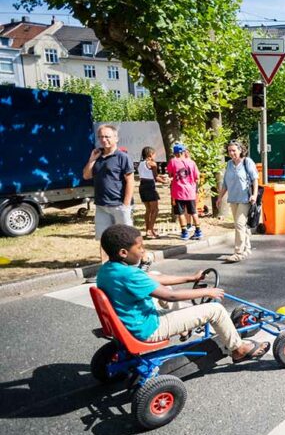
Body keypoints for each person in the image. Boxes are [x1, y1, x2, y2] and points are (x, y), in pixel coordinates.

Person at [96, 224, 269, 361]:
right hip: (148, 328)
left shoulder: (109, 270)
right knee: (215, 310)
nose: (143, 251)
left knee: (155, 275)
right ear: (123, 252)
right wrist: (208, 292)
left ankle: (183, 329)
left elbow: (155, 279)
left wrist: (190, 278)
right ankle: (238, 349)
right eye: (140, 247)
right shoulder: (130, 274)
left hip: (128, 322)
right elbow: (170, 296)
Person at [82, 124, 135, 263]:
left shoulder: (122, 157)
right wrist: (92, 159)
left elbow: (130, 181)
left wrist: (126, 204)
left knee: (126, 238)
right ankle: (105, 268)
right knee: (104, 239)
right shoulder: (97, 157)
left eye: (107, 136)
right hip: (101, 205)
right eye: (101, 137)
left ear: (116, 138)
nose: (103, 139)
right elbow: (86, 175)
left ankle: (134, 264)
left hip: (119, 204)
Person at [216, 141, 258, 263]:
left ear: (240, 150)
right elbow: (225, 183)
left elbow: (255, 179)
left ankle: (238, 252)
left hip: (245, 199)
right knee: (241, 225)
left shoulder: (247, 162)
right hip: (233, 198)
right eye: (229, 151)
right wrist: (219, 197)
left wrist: (254, 195)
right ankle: (247, 247)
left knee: (239, 224)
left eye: (234, 150)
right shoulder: (229, 164)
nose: (232, 153)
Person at [167, 143, 202, 241]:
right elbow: (197, 177)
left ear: (175, 153)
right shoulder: (192, 162)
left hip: (178, 192)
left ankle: (184, 233)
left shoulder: (173, 161)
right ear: (183, 152)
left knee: (181, 213)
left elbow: (170, 174)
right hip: (190, 191)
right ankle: (198, 231)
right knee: (193, 212)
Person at [137, 146, 165, 240]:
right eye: (154, 154)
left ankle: (148, 230)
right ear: (150, 155)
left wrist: (160, 176)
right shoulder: (152, 163)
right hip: (150, 186)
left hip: (142, 186)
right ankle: (150, 230)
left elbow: (147, 174)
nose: (155, 156)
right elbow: (156, 177)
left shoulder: (140, 163)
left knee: (148, 210)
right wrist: (167, 181)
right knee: (155, 210)